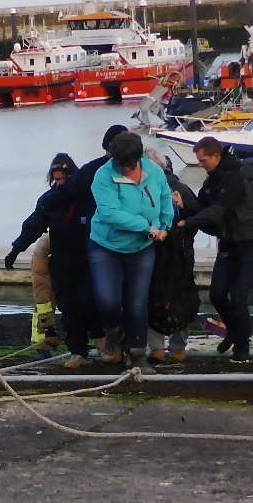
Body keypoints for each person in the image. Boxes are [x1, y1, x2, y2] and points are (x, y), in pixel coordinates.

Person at [176, 137, 253, 363]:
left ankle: (242, 347)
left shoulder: (235, 178)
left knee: (238, 295)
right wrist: (184, 207)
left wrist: (189, 223)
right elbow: (202, 207)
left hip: (251, 243)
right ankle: (234, 331)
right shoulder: (211, 183)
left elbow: (218, 210)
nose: (201, 164)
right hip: (228, 243)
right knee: (217, 293)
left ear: (216, 157)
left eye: (203, 160)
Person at [88, 132, 174, 365]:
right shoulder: (103, 177)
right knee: (108, 300)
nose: (125, 168)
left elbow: (165, 197)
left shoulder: (154, 172)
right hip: (106, 246)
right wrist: (147, 227)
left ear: (137, 159)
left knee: (137, 303)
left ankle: (137, 355)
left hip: (142, 248)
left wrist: (165, 224)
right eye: (120, 163)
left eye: (129, 164)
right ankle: (114, 334)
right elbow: (110, 213)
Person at [7, 154, 97, 368]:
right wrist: (16, 249)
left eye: (63, 180)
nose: (60, 184)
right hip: (62, 261)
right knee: (69, 308)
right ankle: (78, 352)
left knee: (90, 303)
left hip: (88, 260)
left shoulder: (89, 198)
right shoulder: (50, 201)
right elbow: (33, 225)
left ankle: (105, 344)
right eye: (56, 180)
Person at [145, 149, 199, 364]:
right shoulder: (180, 188)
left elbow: (195, 216)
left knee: (152, 297)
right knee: (180, 298)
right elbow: (196, 216)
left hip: (160, 250)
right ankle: (176, 348)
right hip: (179, 251)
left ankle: (158, 347)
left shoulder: (152, 189)